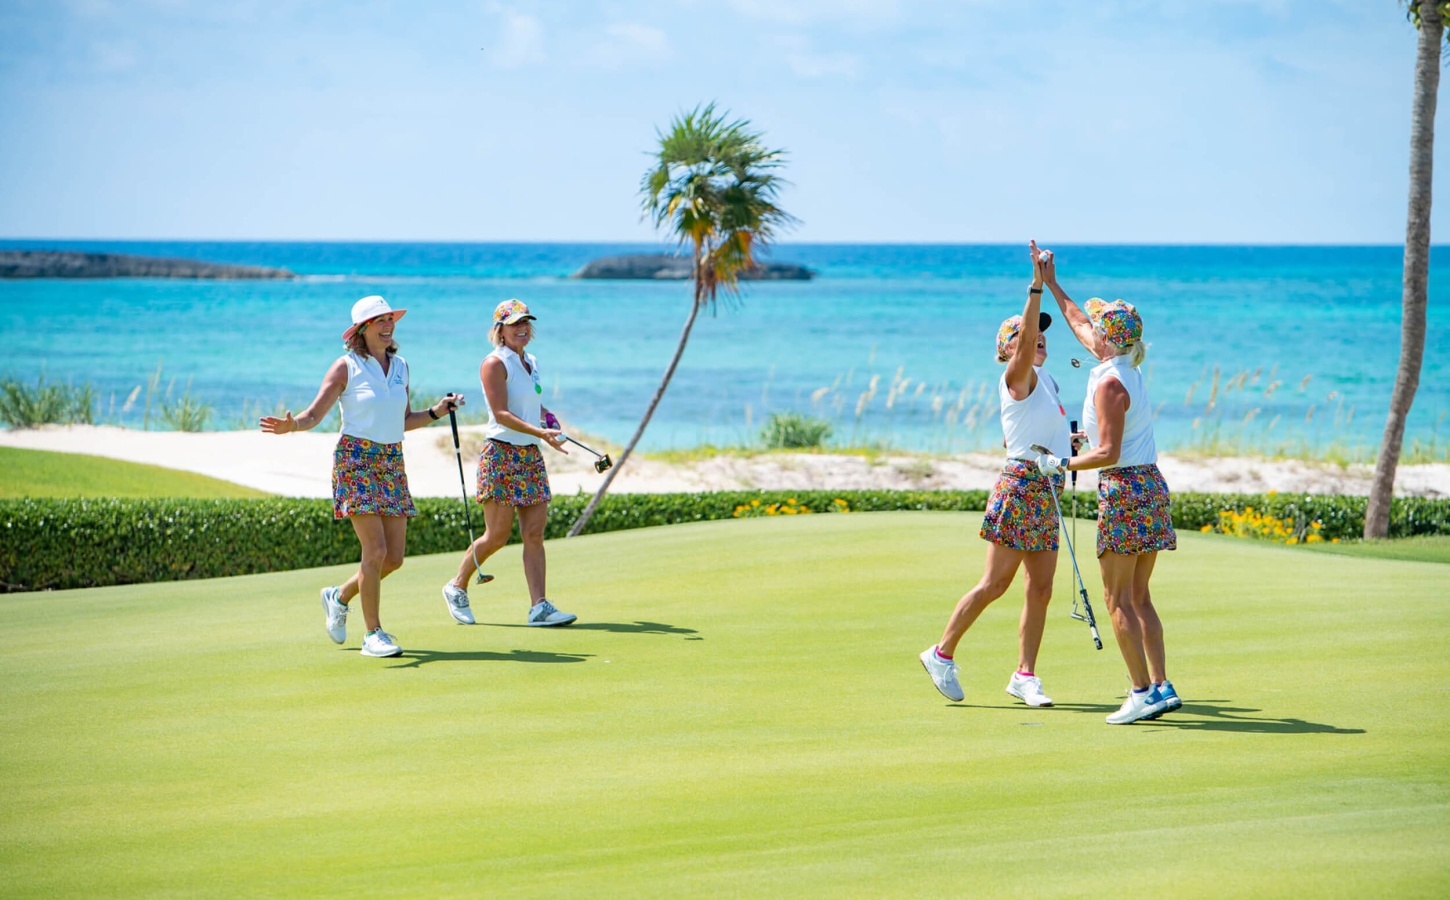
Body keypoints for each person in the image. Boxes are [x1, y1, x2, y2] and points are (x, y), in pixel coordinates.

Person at [261, 295, 462, 659]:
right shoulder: (345, 367)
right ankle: (374, 633)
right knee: (376, 550)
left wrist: (435, 411)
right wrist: (292, 426)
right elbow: (313, 415)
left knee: (394, 558)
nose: (388, 326)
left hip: (391, 460)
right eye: (380, 321)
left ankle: (338, 596)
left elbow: (402, 419)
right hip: (355, 460)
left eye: (391, 319)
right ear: (362, 329)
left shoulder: (401, 366)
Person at [920, 241, 1072, 708]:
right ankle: (941, 653)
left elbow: (1019, 437)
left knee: (1041, 588)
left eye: (1042, 334)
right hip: (1020, 488)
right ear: (1008, 349)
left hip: (1046, 489)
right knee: (996, 584)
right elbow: (1026, 343)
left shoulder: (1048, 380)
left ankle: (1025, 675)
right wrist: (1036, 285)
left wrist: (1073, 439)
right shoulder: (1016, 375)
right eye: (1027, 335)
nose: (1037, 338)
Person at [1038, 250, 1182, 725]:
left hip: (1124, 489)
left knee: (1118, 600)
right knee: (1140, 597)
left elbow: (1109, 455)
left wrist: (1061, 462)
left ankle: (1142, 692)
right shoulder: (1122, 368)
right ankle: (1162, 686)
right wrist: (1052, 283)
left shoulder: (1109, 384)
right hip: (1148, 486)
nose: (1089, 327)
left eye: (1097, 325)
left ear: (1106, 338)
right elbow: (1078, 321)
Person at [441, 299, 576, 628]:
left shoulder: (531, 361)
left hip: (530, 454)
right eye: (515, 323)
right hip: (501, 454)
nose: (522, 328)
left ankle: (539, 607)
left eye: (526, 322)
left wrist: (547, 418)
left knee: (534, 533)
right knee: (497, 535)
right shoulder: (494, 363)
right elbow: (501, 413)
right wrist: (540, 433)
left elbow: (531, 402)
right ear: (499, 329)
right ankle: (456, 586)